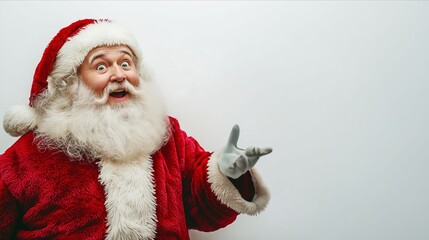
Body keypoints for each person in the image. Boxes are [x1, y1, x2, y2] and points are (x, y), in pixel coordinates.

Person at [0, 19, 272, 240]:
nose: (119, 75)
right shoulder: (27, 157)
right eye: (102, 66)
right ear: (70, 82)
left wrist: (226, 174)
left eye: (126, 63)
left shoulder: (166, 135)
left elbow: (199, 209)